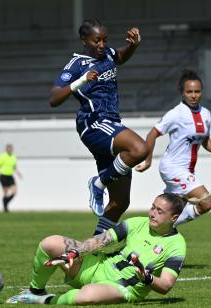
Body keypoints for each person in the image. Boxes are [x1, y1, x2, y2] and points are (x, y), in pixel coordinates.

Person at [49, 18, 149, 234]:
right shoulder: (76, 65)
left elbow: (119, 56)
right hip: (94, 123)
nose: (102, 45)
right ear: (84, 40)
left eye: (104, 40)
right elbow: (54, 98)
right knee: (139, 149)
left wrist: (133, 45)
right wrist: (81, 81)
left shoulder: (108, 55)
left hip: (111, 124)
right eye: (97, 41)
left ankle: (93, 251)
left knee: (120, 203)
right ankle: (98, 183)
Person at [6, 193, 186, 305]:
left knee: (87, 296)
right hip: (97, 266)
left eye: (160, 211)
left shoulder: (177, 245)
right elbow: (102, 240)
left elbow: (165, 286)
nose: (152, 213)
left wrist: (147, 277)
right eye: (153, 207)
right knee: (50, 243)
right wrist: (76, 252)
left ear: (174, 217)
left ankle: (42, 300)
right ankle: (35, 290)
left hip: (120, 288)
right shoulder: (138, 223)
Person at [135, 70, 211, 226]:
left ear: (202, 92)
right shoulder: (176, 114)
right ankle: (167, 226)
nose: (193, 95)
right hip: (173, 168)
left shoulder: (206, 114)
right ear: (182, 93)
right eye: (189, 91)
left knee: (172, 210)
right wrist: (148, 162)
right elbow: (152, 135)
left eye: (197, 91)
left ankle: (151, 230)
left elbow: (204, 140)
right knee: (206, 202)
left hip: (187, 170)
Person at [0, 144, 22, 212]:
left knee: (14, 191)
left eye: (11, 149)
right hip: (3, 176)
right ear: (6, 149)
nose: (10, 150)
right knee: (6, 193)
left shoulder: (13, 157)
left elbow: (15, 167)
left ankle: (6, 203)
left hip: (10, 176)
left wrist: (18, 173)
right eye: (8, 148)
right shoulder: (2, 156)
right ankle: (5, 208)